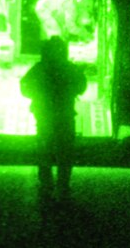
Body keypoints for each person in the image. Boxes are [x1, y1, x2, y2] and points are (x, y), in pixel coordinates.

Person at [20, 36, 87, 202]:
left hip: (44, 113)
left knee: (44, 148)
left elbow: (24, 87)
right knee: (65, 150)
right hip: (64, 113)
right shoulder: (70, 68)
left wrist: (39, 95)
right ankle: (62, 184)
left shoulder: (40, 68)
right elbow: (81, 87)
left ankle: (46, 183)